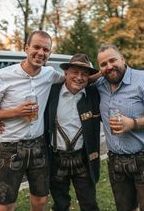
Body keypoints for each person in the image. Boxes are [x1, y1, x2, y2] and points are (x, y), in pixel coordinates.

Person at [0, 30, 64, 211]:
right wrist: (15, 112)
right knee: (5, 205)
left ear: (49, 53)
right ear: (26, 48)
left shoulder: (50, 74)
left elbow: (75, 78)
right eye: (36, 47)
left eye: (46, 49)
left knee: (41, 200)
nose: (40, 53)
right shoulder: (3, 75)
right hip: (11, 149)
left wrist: (101, 74)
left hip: (39, 146)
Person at [94, 44, 144, 211]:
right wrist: (88, 77)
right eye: (103, 64)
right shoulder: (101, 85)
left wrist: (133, 123)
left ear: (123, 59)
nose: (109, 66)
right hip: (116, 162)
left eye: (113, 60)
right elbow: (84, 80)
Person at [44, 54, 101, 211]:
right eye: (75, 72)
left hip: (82, 159)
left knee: (89, 204)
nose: (79, 77)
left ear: (89, 78)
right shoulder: (50, 92)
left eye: (84, 74)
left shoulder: (94, 94)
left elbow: (107, 79)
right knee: (60, 205)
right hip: (56, 160)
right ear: (66, 73)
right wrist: (0, 118)